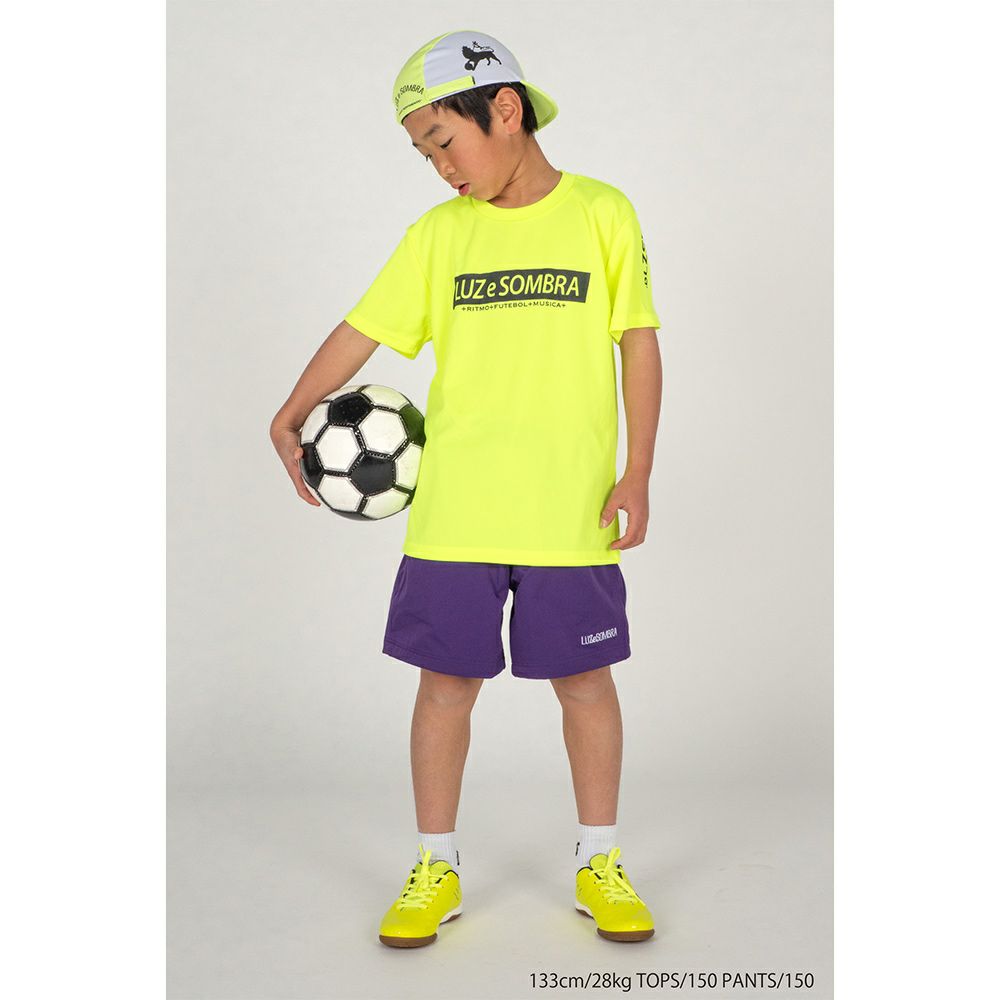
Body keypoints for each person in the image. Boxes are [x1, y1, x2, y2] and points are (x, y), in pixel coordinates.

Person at [269, 29, 663, 947]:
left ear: (506, 110)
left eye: (444, 141)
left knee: (586, 682)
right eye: (424, 154)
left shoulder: (603, 213)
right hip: (456, 513)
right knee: (444, 686)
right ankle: (434, 865)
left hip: (570, 511)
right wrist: (290, 412)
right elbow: (362, 330)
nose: (440, 168)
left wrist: (638, 469)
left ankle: (600, 860)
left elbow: (639, 343)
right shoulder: (438, 236)